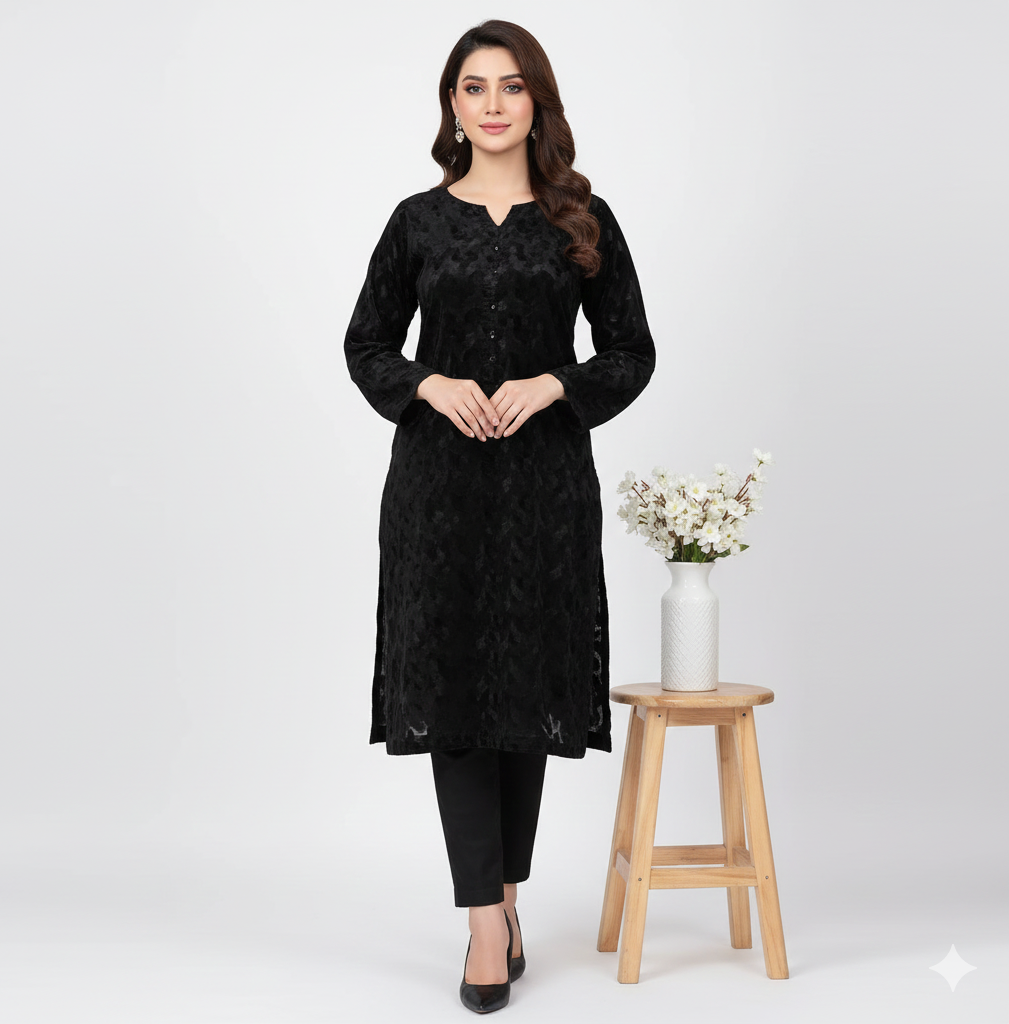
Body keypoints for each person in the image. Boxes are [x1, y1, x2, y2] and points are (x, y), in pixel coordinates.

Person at [344, 19, 656, 1014]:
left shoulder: (580, 220)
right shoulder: (415, 223)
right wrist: (428, 383)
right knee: (454, 693)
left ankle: (508, 899)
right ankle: (484, 920)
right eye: (473, 87)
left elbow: (631, 352)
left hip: (544, 492)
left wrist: (555, 383)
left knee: (526, 695)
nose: (491, 104)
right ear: (451, 104)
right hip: (438, 493)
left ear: (536, 101)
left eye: (510, 86)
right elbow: (365, 344)